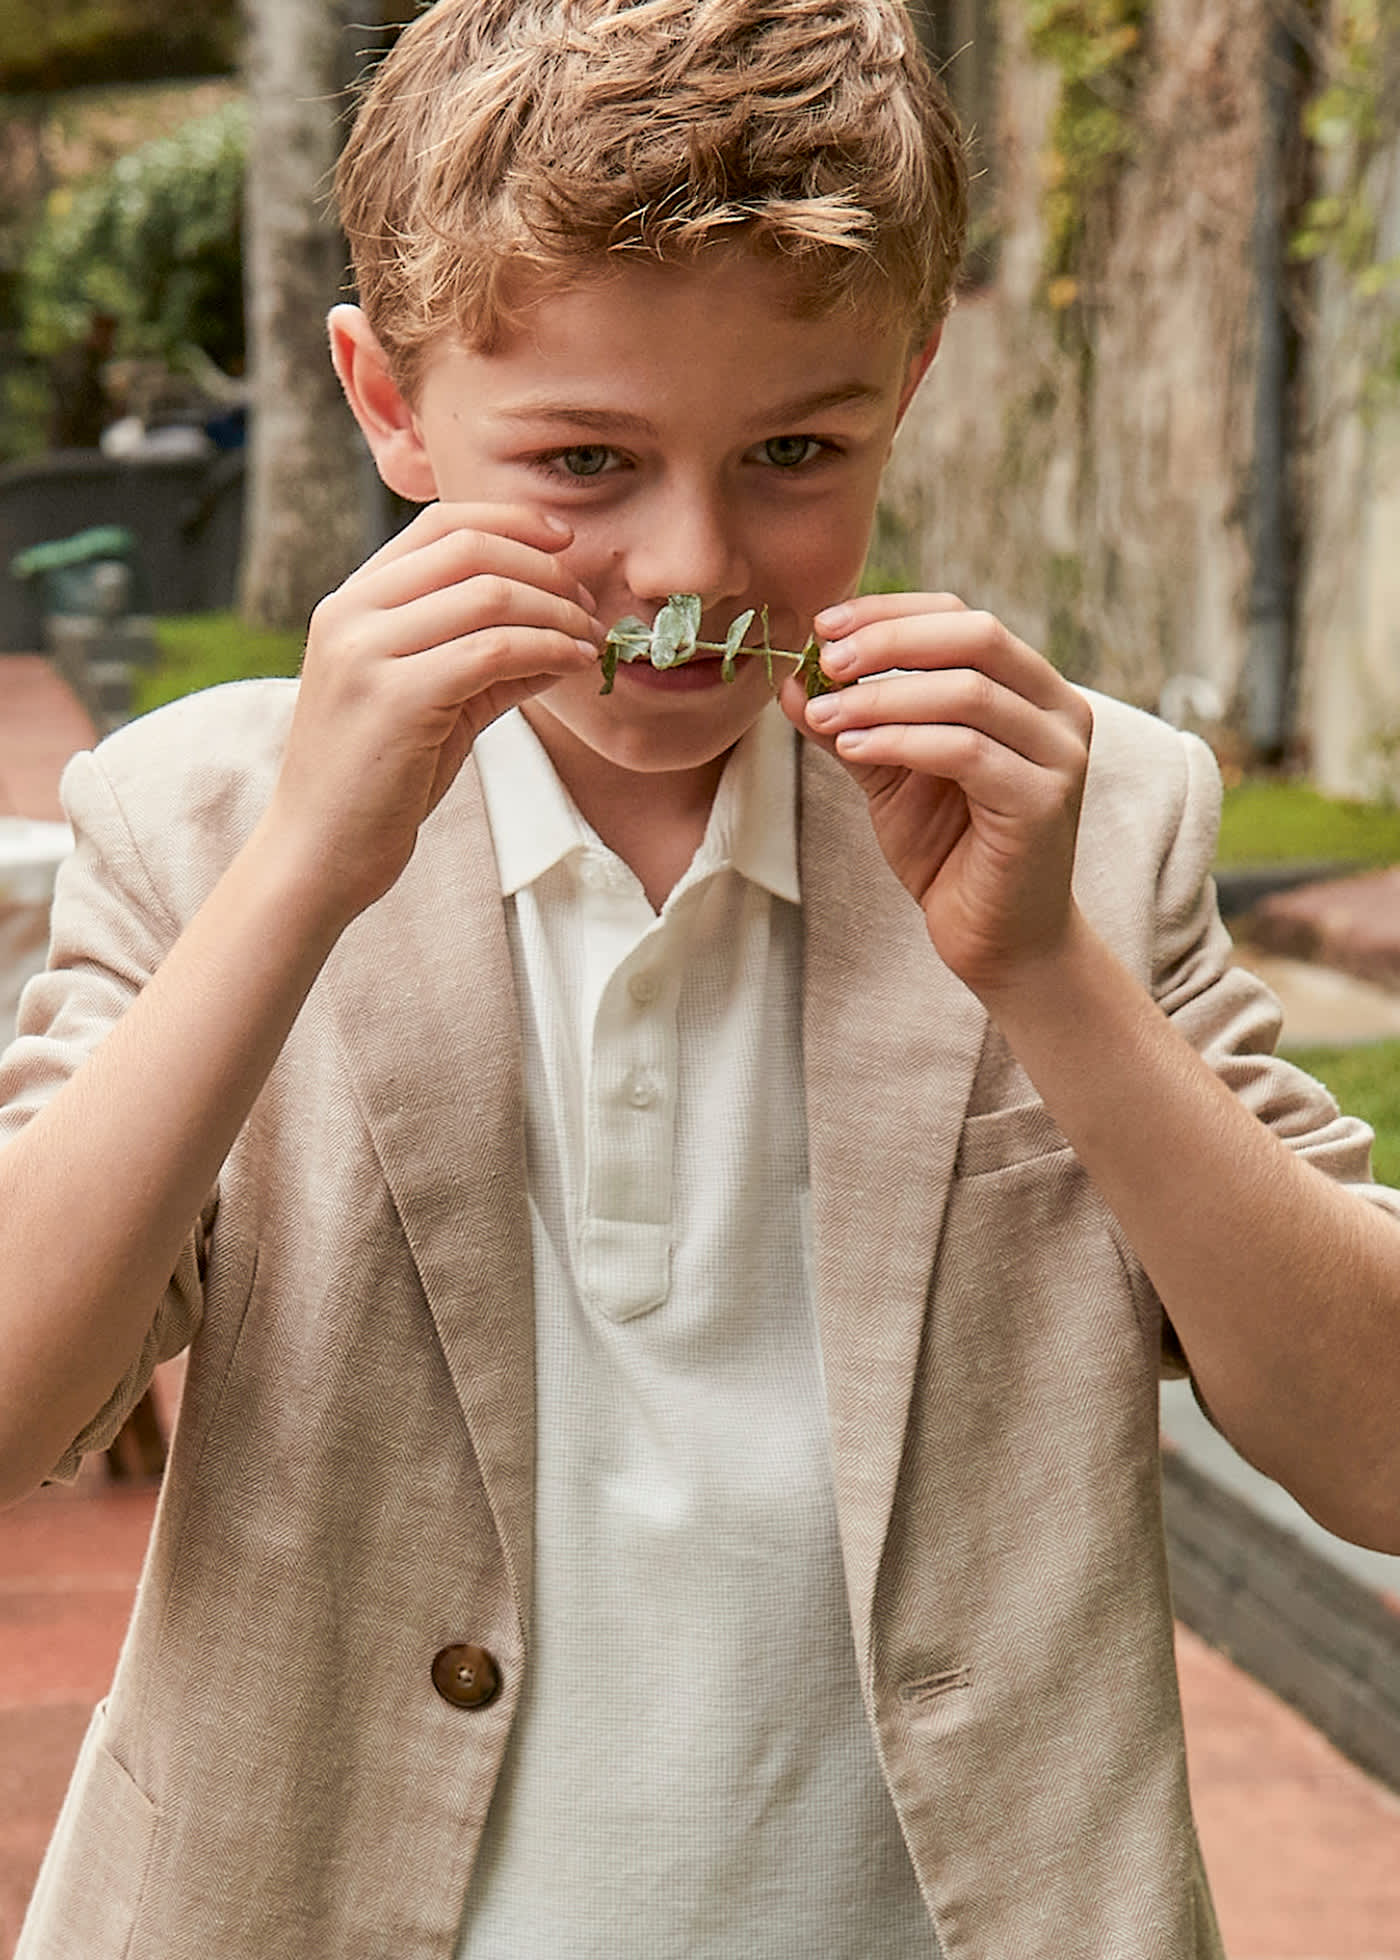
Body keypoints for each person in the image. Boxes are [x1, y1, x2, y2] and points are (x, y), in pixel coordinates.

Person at [3, 2, 1398, 1954]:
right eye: (582, 456)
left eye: (793, 453)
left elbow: (1376, 1448)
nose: (691, 559)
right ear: (388, 401)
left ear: (906, 383)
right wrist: (300, 874)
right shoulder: (196, 812)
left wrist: (1051, 975)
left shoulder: (1095, 813)